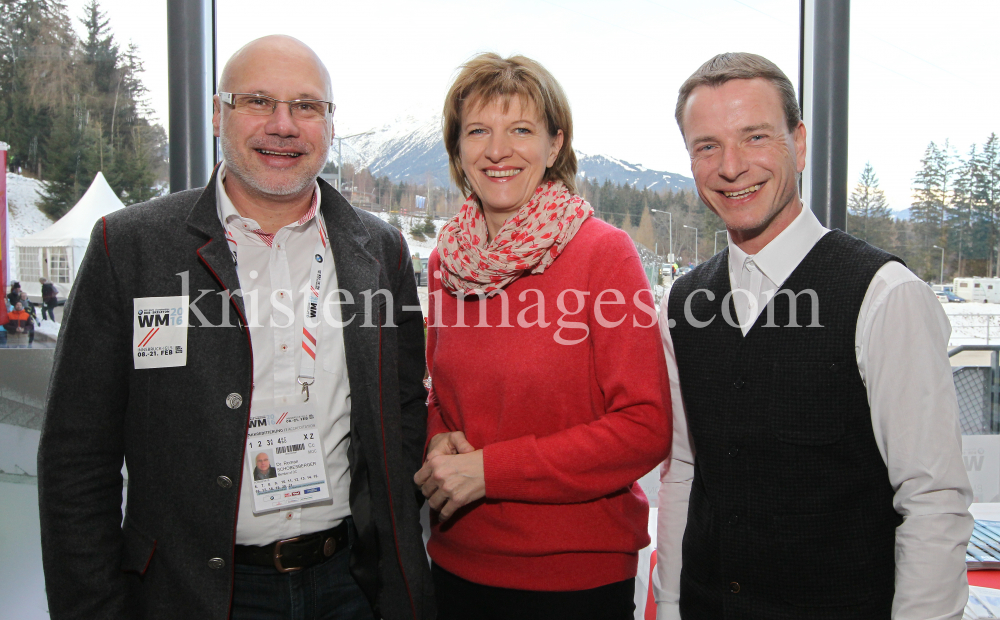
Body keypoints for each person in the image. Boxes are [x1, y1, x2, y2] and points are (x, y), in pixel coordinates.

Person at [38, 35, 432, 620]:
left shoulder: (381, 251)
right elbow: (76, 460)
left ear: (329, 123)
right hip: (190, 593)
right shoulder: (130, 248)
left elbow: (402, 413)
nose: (283, 125)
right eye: (257, 101)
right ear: (219, 115)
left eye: (306, 106)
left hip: (349, 584)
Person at [655, 53, 972, 620]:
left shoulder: (885, 296)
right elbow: (684, 468)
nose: (731, 167)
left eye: (754, 137)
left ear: (798, 144)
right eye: (707, 146)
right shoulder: (683, 303)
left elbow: (932, 502)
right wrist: (674, 604)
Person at [414, 53, 672, 620]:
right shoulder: (445, 263)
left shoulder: (603, 254)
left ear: (555, 146)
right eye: (478, 130)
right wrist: (438, 439)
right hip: (457, 563)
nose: (498, 150)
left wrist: (490, 471)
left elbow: (645, 428)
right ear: (459, 149)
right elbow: (440, 392)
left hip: (574, 580)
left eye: (521, 130)